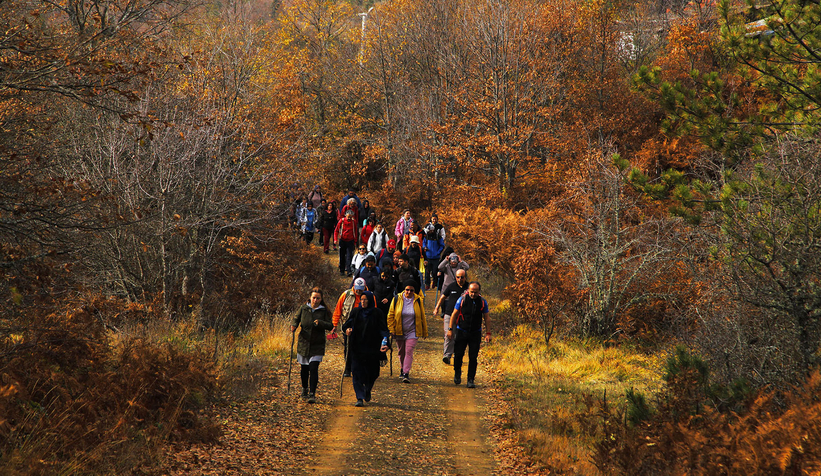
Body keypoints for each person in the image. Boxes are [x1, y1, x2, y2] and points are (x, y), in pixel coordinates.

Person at [343, 291, 390, 407]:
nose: (363, 302)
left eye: (365, 300)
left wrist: (386, 342)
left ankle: (367, 389)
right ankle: (359, 397)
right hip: (357, 348)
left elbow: (383, 329)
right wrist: (347, 330)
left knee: (373, 373)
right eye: (361, 299)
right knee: (357, 372)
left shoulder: (377, 313)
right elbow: (347, 324)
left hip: (372, 349)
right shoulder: (356, 311)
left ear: (370, 300)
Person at [291, 288, 334, 403]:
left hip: (317, 344)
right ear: (310, 298)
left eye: (318, 298)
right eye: (314, 297)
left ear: (321, 299)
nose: (315, 300)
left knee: (313, 368)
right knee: (304, 369)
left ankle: (312, 393)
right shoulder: (304, 308)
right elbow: (296, 318)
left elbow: (330, 325)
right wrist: (294, 325)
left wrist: (320, 323)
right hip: (304, 343)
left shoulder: (323, 311)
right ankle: (305, 388)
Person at [446, 282, 492, 388]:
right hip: (461, 331)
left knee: (473, 357)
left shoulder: (483, 302)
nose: (473, 294)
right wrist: (450, 329)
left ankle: (470, 379)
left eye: (475, 292)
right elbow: (454, 314)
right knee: (458, 355)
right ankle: (457, 373)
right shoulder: (462, 300)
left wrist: (488, 333)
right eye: (471, 292)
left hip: (475, 333)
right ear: (468, 291)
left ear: (479, 292)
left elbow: (487, 318)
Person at [387, 281, 428, 383]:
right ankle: (402, 368)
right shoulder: (397, 299)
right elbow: (391, 315)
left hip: (412, 331)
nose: (409, 292)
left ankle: (406, 373)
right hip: (399, 330)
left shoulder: (418, 300)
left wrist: (424, 331)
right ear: (404, 290)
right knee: (401, 352)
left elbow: (422, 315)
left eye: (411, 290)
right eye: (407, 290)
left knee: (409, 351)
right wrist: (391, 329)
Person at [333, 277, 368, 377]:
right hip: (348, 325)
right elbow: (338, 310)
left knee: (362, 347)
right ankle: (348, 369)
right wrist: (334, 325)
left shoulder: (369, 296)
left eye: (361, 289)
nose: (358, 291)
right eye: (357, 288)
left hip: (363, 326)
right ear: (353, 286)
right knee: (348, 347)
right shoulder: (346, 295)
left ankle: (360, 368)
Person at [433, 269, 468, 365]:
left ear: (465, 277)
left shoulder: (469, 288)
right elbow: (443, 297)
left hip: (463, 316)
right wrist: (437, 308)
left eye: (462, 277)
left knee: (459, 337)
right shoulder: (451, 286)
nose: (460, 279)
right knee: (449, 334)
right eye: (458, 277)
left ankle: (458, 355)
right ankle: (447, 356)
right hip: (449, 314)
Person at [423, 214, 446, 290]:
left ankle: (434, 282)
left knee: (435, 271)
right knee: (427, 271)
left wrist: (438, 252)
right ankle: (427, 284)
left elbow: (442, 245)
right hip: (428, 256)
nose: (431, 231)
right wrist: (424, 248)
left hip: (436, 257)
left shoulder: (438, 237)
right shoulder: (426, 236)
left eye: (432, 230)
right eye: (430, 230)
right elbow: (424, 243)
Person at [334, 209, 359, 276]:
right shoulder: (341, 221)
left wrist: (355, 241)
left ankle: (349, 271)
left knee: (349, 256)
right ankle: (342, 270)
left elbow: (356, 232)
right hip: (342, 240)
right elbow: (336, 230)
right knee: (342, 255)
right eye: (348, 217)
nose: (349, 218)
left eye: (350, 217)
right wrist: (335, 239)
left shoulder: (354, 222)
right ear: (345, 216)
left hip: (350, 241)